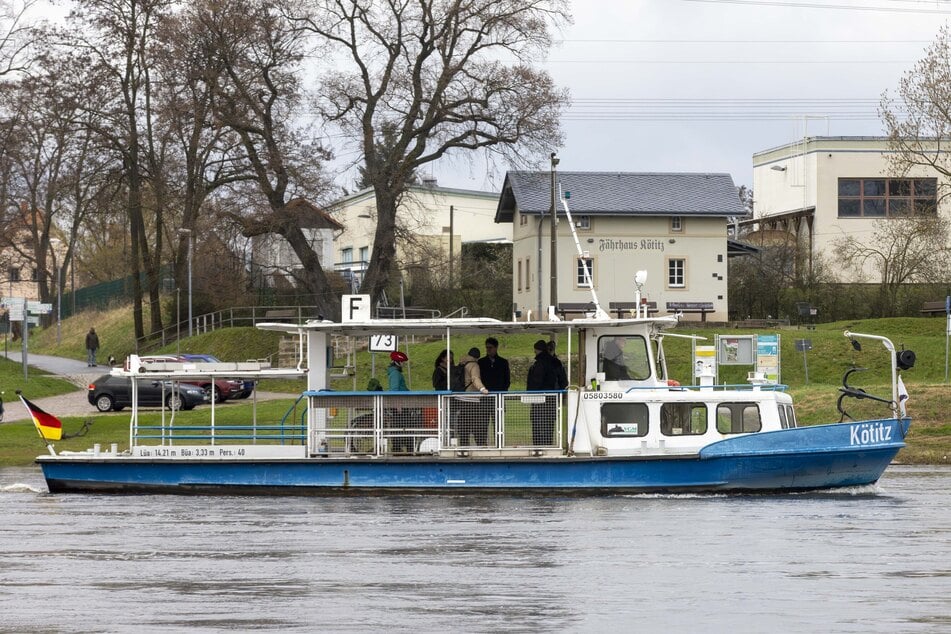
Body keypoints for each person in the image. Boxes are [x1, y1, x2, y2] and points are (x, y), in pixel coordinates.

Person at [526, 339, 559, 446]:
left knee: (538, 424)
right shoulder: (555, 362)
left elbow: (536, 382)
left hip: (539, 399)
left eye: (535, 351)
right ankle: (548, 444)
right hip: (552, 398)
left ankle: (539, 446)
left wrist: (530, 393)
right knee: (549, 424)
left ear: (537, 350)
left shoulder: (539, 364)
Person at [457, 346, 489, 446]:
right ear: (477, 357)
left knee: (463, 424)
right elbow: (475, 378)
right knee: (477, 424)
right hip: (472, 399)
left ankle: (464, 446)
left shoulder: (462, 363)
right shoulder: (474, 365)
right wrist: (482, 388)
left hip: (460, 397)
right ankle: (481, 446)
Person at [386, 350, 412, 453]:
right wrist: (398, 404)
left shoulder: (394, 373)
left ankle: (399, 447)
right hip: (400, 404)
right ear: (398, 362)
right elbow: (395, 390)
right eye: (403, 363)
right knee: (402, 425)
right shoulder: (396, 374)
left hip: (400, 403)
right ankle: (400, 448)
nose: (404, 364)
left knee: (399, 425)